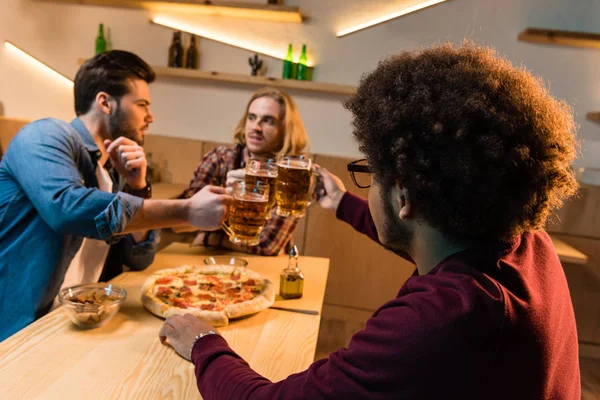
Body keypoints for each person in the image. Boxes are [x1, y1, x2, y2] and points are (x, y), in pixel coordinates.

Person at [158, 42, 581, 399]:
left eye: (370, 171)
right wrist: (343, 203)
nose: (367, 184)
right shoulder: (525, 243)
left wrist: (204, 343)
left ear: (403, 196)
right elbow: (420, 235)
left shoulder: (438, 321)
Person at [0, 50, 230, 342]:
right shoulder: (44, 135)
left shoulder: (114, 167)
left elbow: (138, 258)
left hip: (80, 324)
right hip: (17, 332)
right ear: (105, 102)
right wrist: (186, 211)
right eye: (142, 104)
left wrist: (138, 186)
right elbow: (67, 209)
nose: (150, 116)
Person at [176, 87, 309, 255]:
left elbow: (268, 245)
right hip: (213, 263)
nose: (256, 127)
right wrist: (229, 197)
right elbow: (179, 222)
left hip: (266, 267)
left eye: (268, 121)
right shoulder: (220, 158)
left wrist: (208, 239)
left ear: (285, 129)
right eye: (252, 118)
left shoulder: (292, 174)